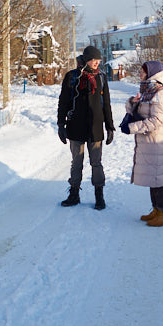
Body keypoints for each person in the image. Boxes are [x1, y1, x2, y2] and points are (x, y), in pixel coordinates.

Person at [57, 44, 115, 209]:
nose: (97, 63)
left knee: (96, 163)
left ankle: (99, 195)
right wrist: (61, 124)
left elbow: (107, 105)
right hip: (76, 127)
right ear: (86, 60)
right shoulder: (72, 77)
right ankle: (74, 194)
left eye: (98, 60)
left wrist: (110, 127)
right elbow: (63, 103)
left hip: (96, 128)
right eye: (93, 60)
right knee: (77, 162)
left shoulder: (101, 77)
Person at [121, 60, 163, 226]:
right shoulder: (148, 91)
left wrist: (133, 127)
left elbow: (156, 120)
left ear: (151, 73)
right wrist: (133, 102)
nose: (140, 74)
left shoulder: (159, 93)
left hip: (155, 140)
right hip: (148, 141)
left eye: (142, 72)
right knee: (153, 176)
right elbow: (138, 111)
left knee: (159, 176)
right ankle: (156, 210)